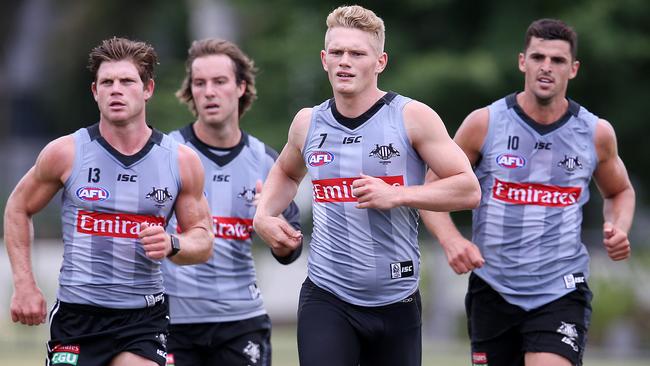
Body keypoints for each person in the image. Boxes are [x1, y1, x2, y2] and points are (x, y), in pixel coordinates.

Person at [253, 5, 480, 366]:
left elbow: (468, 189)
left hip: (397, 299)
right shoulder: (307, 123)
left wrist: (399, 194)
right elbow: (286, 172)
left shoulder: (411, 117)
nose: (345, 61)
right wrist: (264, 214)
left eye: (357, 53)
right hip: (327, 295)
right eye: (338, 53)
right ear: (324, 59)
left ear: (380, 62)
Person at [420, 18, 635, 366]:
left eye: (558, 60)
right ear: (523, 61)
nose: (546, 67)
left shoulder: (595, 132)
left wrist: (619, 227)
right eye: (538, 57)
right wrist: (451, 240)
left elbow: (620, 191)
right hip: (493, 287)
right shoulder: (484, 123)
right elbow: (432, 188)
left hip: (561, 288)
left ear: (574, 69)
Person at [3, 37, 214, 366]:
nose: (116, 90)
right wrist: (25, 285)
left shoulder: (180, 161)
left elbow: (203, 240)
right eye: (107, 82)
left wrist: (173, 243)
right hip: (77, 317)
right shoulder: (66, 153)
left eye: (127, 81)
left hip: (141, 319)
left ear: (147, 89)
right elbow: (18, 208)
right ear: (95, 92)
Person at [162, 38, 302, 366]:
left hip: (241, 322)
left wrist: (272, 228)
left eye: (219, 81)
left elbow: (291, 245)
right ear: (191, 91)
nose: (209, 91)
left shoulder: (267, 161)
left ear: (240, 87)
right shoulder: (165, 155)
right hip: (173, 322)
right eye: (200, 83)